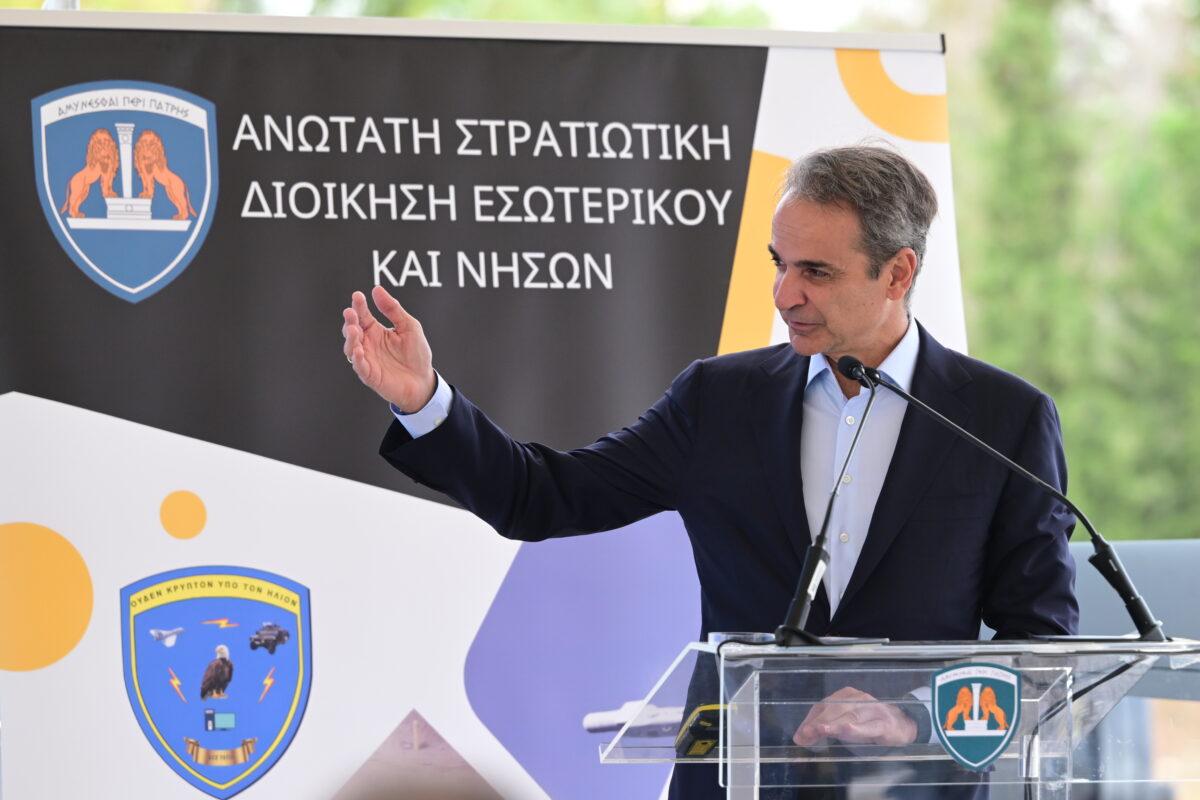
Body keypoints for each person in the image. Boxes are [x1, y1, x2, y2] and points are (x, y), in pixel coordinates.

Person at [341, 145, 1078, 798]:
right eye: (779, 264)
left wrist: (911, 714)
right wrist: (425, 401)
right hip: (735, 782)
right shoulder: (720, 400)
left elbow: (1041, 641)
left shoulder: (1003, 420)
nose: (785, 294)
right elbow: (541, 498)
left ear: (898, 272)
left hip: (912, 790)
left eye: (816, 272)